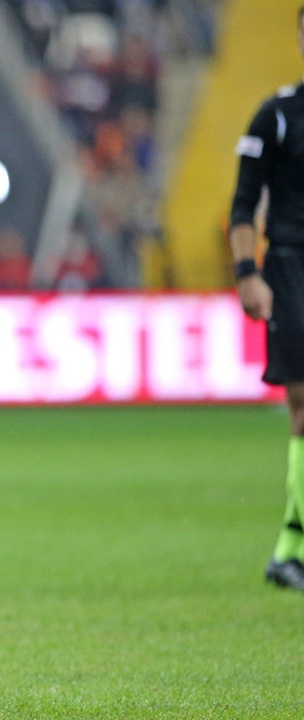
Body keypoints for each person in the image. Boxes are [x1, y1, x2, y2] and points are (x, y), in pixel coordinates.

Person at [229, 4, 304, 594]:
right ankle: (292, 547)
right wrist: (247, 272)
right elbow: (242, 203)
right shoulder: (276, 116)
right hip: (291, 265)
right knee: (303, 402)